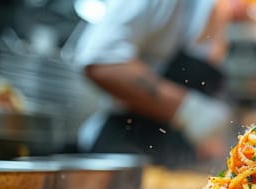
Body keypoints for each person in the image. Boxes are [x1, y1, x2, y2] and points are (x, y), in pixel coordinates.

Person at [74, 0, 234, 168]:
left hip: (171, 157)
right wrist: (191, 112)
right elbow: (102, 63)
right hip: (124, 150)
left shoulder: (214, 13)